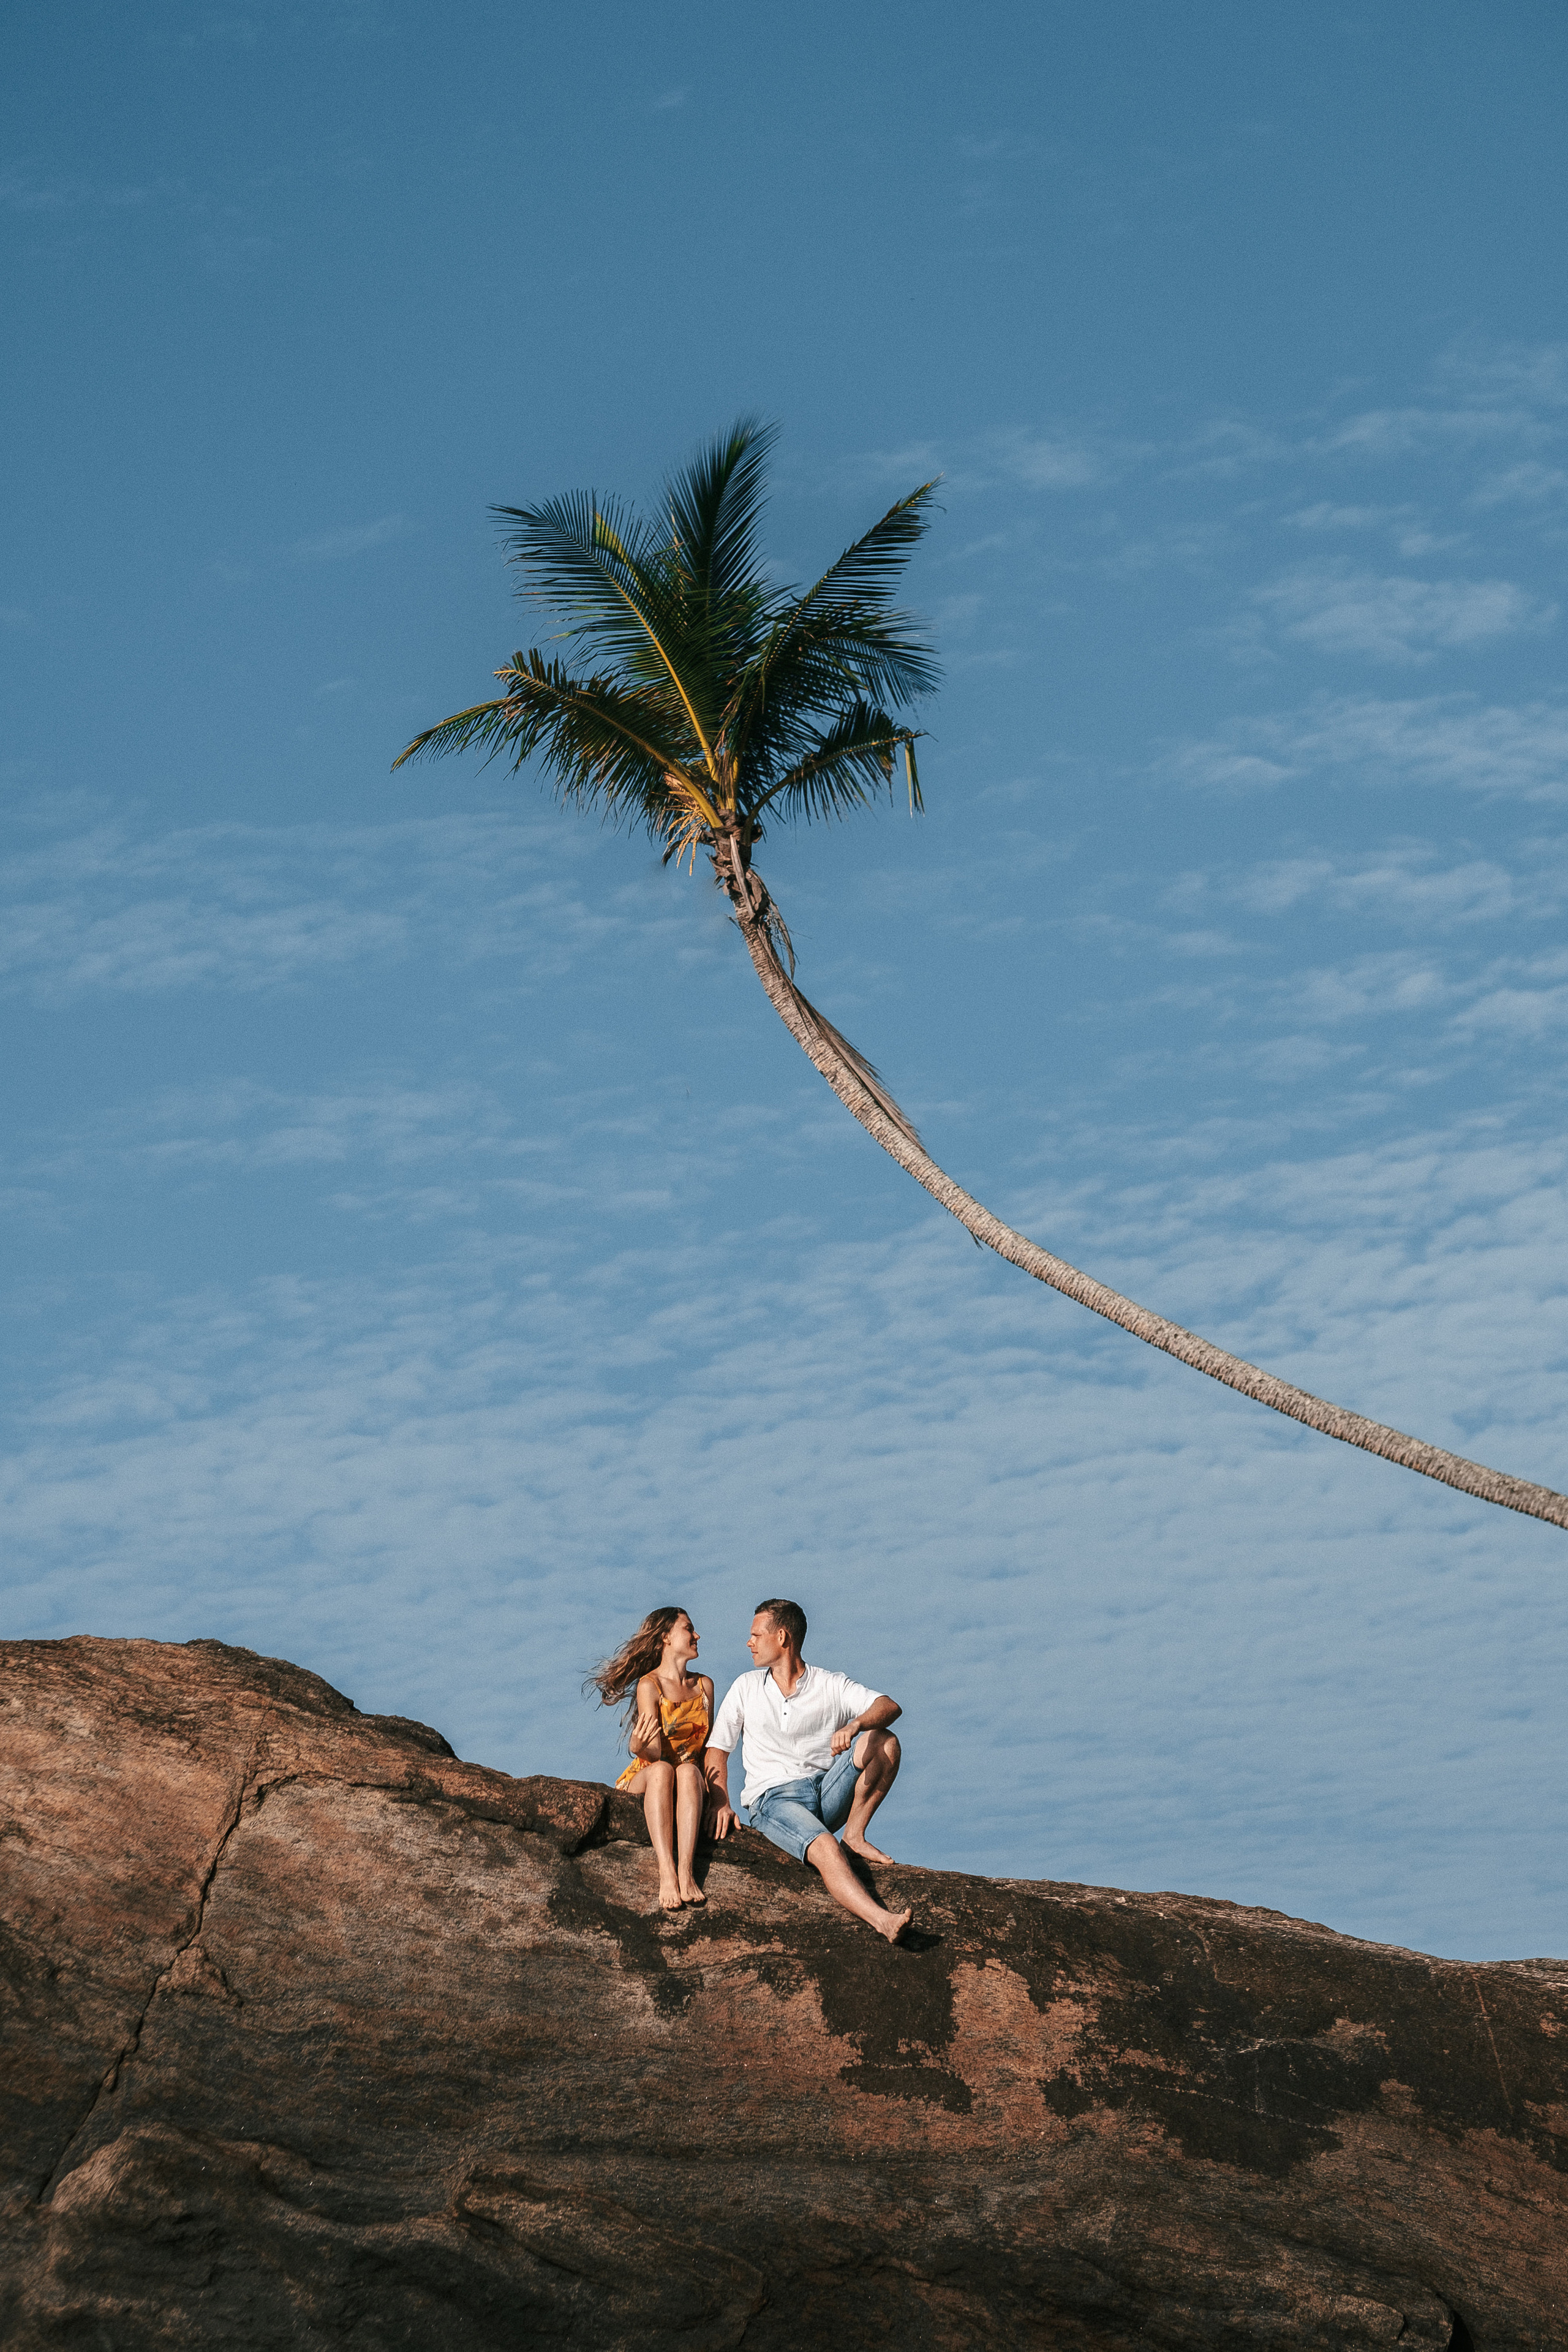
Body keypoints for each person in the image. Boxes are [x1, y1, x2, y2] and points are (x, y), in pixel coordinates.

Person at [704, 1599, 912, 1945]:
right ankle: (882, 1920)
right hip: (773, 1800)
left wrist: (856, 1724)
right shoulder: (746, 1686)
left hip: (825, 1791)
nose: (749, 1642)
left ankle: (855, 1835)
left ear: (782, 1637)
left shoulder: (829, 1684)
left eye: (756, 1635)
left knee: (885, 1741)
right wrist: (720, 1802)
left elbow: (889, 1706)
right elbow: (717, 1751)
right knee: (825, 1847)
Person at [587, 1607, 715, 1912]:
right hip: (649, 1773)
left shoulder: (704, 1687)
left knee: (686, 1771)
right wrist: (639, 1747)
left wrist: (719, 1798)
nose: (696, 1635)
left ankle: (686, 1871)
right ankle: (666, 1872)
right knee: (663, 1770)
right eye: (689, 1629)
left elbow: (709, 1748)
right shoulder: (650, 1685)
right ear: (666, 1637)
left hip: (687, 1778)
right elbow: (654, 1752)